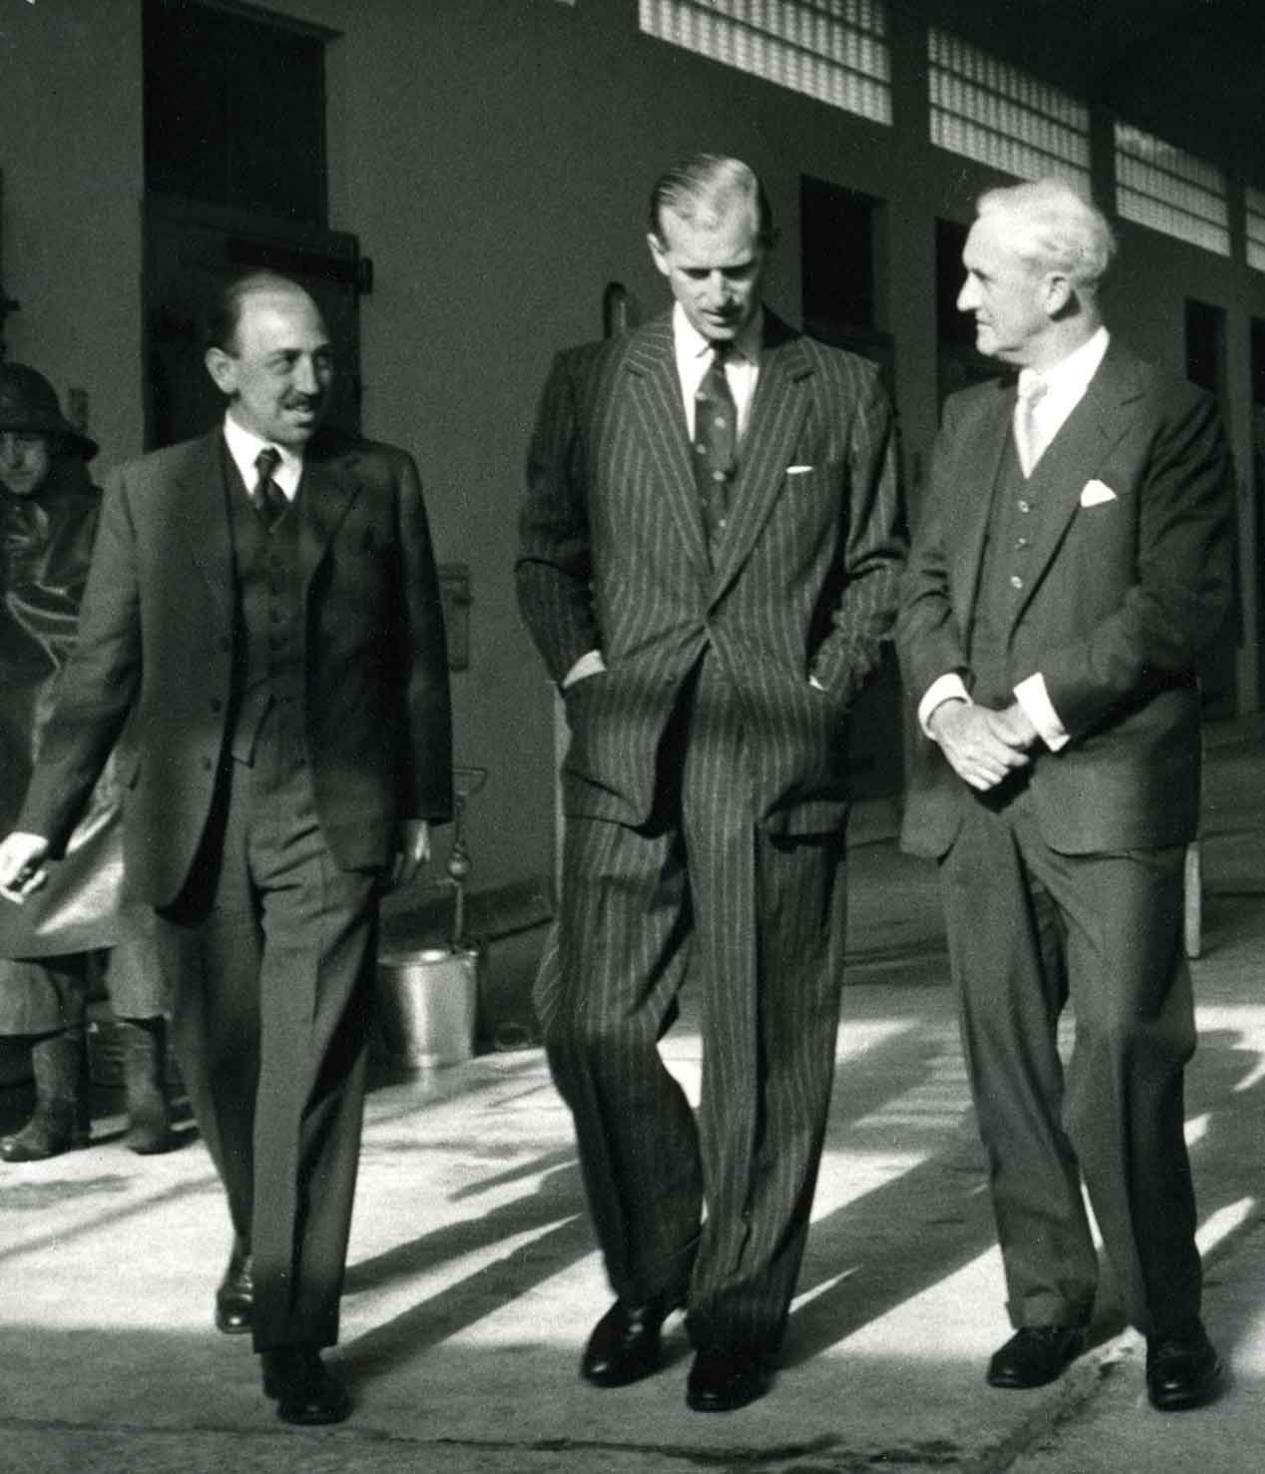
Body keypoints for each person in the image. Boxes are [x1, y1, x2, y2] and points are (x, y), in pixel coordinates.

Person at [0, 272, 454, 1424]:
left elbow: (413, 657)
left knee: (311, 1070)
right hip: (190, 823)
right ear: (222, 371)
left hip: (332, 819)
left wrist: (424, 807)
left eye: (322, 358)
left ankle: (295, 1325)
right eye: (284, 363)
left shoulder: (380, 477)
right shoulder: (149, 495)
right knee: (224, 1068)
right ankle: (264, 1241)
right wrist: (38, 821)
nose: (312, 381)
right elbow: (101, 672)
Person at [516, 154, 904, 1414]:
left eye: (741, 269)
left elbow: (879, 566)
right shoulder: (590, 382)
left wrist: (820, 693)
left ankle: (740, 1307)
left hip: (770, 755)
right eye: (694, 271)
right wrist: (585, 676)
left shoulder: (840, 388)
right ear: (654, 253)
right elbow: (543, 554)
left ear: (766, 253)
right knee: (592, 1021)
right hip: (626, 752)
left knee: (765, 1047)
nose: (721, 294)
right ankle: (651, 1269)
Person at [896, 178, 1233, 1411]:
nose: (964, 294)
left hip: (1108, 794)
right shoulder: (968, 422)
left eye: (983, 274)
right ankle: (1046, 1298)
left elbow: (1174, 609)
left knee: (1126, 1062)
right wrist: (944, 709)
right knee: (1007, 1068)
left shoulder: (1171, 417)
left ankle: (1167, 1314)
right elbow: (921, 587)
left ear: (1060, 285)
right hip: (975, 799)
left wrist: (1022, 715)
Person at [0, 364, 172, 1161]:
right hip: (13, 751)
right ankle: (57, 1107)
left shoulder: (111, 516)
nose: (11, 458)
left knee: (132, 915)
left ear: (56, 443)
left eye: (25, 439)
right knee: (27, 924)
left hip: (109, 739)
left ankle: (146, 1096)